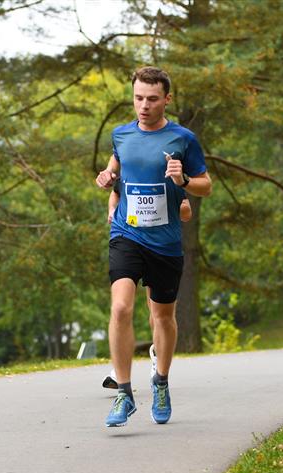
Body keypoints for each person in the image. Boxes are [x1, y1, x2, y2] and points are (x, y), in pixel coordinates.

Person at [95, 66, 212, 426]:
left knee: (162, 317)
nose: (144, 106)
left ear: (167, 99)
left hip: (165, 242)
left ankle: (160, 380)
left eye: (152, 99)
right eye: (138, 98)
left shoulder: (183, 139)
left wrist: (184, 180)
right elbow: (116, 169)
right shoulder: (121, 134)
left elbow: (206, 185)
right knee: (120, 308)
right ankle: (124, 394)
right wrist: (107, 178)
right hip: (127, 234)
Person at [102, 182, 192, 390]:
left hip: (159, 244)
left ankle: (158, 362)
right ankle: (120, 370)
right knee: (121, 307)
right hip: (129, 239)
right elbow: (115, 194)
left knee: (156, 311)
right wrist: (112, 210)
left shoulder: (167, 175)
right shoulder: (129, 170)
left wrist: (164, 208)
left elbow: (186, 211)